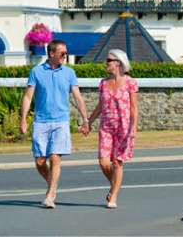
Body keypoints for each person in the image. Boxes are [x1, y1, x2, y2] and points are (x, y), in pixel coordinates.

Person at [20, 40, 89, 209]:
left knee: (54, 157)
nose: (65, 56)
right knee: (40, 162)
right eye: (62, 53)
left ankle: (50, 195)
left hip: (61, 121)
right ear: (51, 54)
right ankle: (53, 183)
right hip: (41, 122)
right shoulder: (36, 71)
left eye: (66, 53)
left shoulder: (69, 73)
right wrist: (22, 119)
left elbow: (77, 97)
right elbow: (28, 97)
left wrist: (85, 119)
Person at [80, 49, 138, 209]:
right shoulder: (103, 83)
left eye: (109, 60)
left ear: (118, 62)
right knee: (104, 162)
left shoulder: (130, 82)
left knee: (117, 163)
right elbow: (100, 106)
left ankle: (113, 196)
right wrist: (88, 122)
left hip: (123, 128)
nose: (106, 63)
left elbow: (134, 108)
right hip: (106, 127)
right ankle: (114, 185)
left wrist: (133, 128)